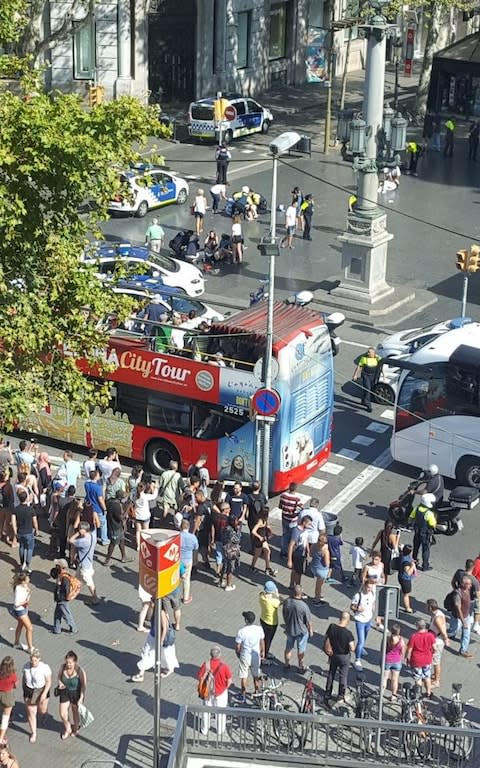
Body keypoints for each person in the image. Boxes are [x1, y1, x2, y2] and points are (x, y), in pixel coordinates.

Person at [198, 646, 232, 736]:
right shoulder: (224, 666)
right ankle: (220, 730)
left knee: (206, 711)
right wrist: (224, 688)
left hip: (208, 692)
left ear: (210, 654)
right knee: (220, 712)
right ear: (220, 655)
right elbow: (229, 681)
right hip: (220, 693)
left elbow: (200, 677)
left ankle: (204, 729)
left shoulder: (206, 665)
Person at [324, 611, 355, 704]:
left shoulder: (332, 627)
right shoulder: (348, 633)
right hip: (344, 657)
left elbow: (326, 637)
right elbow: (352, 648)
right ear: (348, 620)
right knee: (343, 676)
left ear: (340, 618)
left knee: (331, 673)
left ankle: (328, 693)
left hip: (333, 655)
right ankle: (340, 696)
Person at [22, 648, 52, 744]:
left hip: (41, 690)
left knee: (42, 710)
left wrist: (43, 694)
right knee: (31, 713)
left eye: (35, 660)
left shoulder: (44, 667)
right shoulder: (26, 666)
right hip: (29, 691)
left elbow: (49, 681)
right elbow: (24, 678)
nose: (33, 662)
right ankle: (33, 733)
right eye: (32, 660)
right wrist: (24, 690)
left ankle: (45, 714)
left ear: (39, 659)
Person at [234, 611, 265, 702]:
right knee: (256, 675)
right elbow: (262, 641)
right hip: (255, 655)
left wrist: (238, 654)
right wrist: (263, 651)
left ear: (246, 620)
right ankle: (257, 692)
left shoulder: (241, 631)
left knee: (244, 675)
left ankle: (243, 694)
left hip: (245, 656)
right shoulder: (259, 629)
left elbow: (237, 646)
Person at [282, 584, 313, 673]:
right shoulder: (303, 606)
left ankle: (286, 664)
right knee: (301, 650)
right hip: (301, 631)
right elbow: (308, 620)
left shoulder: (287, 602)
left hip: (289, 629)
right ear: (301, 592)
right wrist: (310, 630)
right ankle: (300, 666)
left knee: (288, 648)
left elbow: (284, 614)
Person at [56, 650, 87, 738]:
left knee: (75, 712)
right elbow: (58, 677)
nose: (68, 665)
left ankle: (76, 728)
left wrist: (81, 697)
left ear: (75, 662)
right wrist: (60, 683)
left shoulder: (80, 671)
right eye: (67, 662)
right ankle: (68, 728)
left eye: (70, 663)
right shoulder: (62, 667)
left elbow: (84, 685)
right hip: (65, 692)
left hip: (75, 693)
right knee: (62, 713)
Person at [69, 522, 100, 605]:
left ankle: (95, 598)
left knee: (89, 583)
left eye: (80, 529)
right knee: (77, 579)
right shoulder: (92, 537)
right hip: (87, 563)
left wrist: (77, 533)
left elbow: (70, 540)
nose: (79, 530)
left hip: (85, 566)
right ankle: (72, 591)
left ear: (83, 530)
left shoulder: (82, 542)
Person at [406, 619, 436, 697]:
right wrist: (432, 653)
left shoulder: (414, 636)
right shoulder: (430, 635)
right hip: (427, 659)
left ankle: (418, 694)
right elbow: (434, 648)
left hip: (416, 660)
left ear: (417, 626)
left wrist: (407, 658)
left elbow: (409, 649)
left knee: (418, 678)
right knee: (427, 676)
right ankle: (428, 692)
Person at [11, 488, 38, 573]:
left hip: (20, 532)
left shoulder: (16, 509)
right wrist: (36, 529)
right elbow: (35, 521)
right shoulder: (31, 509)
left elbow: (13, 521)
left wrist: (15, 531)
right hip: (29, 532)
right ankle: (27, 564)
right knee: (30, 548)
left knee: (22, 547)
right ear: (26, 498)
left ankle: (22, 562)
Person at [351, 580, 375, 670]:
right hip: (360, 620)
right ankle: (357, 660)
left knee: (364, 637)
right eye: (368, 587)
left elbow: (373, 603)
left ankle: (361, 648)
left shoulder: (371, 594)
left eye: (371, 587)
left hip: (368, 619)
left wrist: (373, 610)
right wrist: (357, 608)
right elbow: (352, 606)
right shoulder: (358, 595)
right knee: (360, 640)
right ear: (364, 586)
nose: (369, 589)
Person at [448, 576, 474, 658]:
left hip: (467, 616)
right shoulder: (458, 593)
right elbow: (458, 608)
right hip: (458, 618)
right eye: (469, 584)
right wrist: (463, 621)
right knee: (453, 631)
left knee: (466, 634)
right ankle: (440, 634)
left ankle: (463, 651)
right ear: (463, 584)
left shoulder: (467, 590)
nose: (470, 585)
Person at [409, 493, 437, 571]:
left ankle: (413, 562)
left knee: (415, 548)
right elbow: (433, 524)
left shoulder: (417, 508)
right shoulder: (429, 513)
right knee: (425, 550)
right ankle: (425, 566)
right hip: (425, 534)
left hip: (417, 532)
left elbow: (411, 517)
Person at [426, 598, 449, 688]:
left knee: (436, 661)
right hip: (436, 639)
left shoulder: (437, 618)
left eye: (427, 606)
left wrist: (446, 638)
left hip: (437, 641)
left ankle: (436, 681)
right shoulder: (437, 614)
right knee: (435, 660)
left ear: (430, 607)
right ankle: (435, 676)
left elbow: (442, 630)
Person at [287, 514, 313, 589]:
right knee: (298, 572)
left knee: (295, 570)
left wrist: (308, 551)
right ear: (304, 523)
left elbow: (306, 540)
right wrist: (289, 560)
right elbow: (291, 545)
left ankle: (292, 585)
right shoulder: (296, 531)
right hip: (297, 555)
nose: (310, 526)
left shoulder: (305, 530)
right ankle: (298, 587)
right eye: (309, 524)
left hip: (302, 553)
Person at [52, 559, 78, 634]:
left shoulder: (65, 577)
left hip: (62, 599)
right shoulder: (62, 574)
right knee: (57, 614)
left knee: (66, 614)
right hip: (59, 599)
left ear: (61, 567)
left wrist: (63, 597)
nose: (56, 567)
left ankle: (73, 629)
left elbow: (66, 589)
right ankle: (57, 629)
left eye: (57, 565)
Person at [104, 489, 129, 566]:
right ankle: (106, 561)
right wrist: (128, 508)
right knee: (113, 544)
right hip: (115, 527)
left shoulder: (110, 501)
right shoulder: (116, 506)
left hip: (117, 526)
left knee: (122, 540)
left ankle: (124, 557)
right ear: (120, 498)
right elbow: (121, 517)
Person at [279, 481, 303, 557]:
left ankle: (283, 551)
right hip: (292, 520)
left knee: (285, 534)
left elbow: (280, 506)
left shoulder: (283, 495)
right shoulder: (297, 498)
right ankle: (291, 552)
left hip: (284, 517)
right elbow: (300, 508)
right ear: (295, 489)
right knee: (293, 537)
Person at [353, 347, 381, 413]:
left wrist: (384, 376)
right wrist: (355, 375)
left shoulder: (377, 358)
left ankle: (363, 400)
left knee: (369, 389)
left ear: (373, 353)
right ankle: (369, 406)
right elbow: (359, 367)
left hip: (373, 376)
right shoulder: (364, 358)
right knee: (368, 389)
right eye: (367, 352)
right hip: (366, 375)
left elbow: (381, 366)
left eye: (369, 352)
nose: (368, 353)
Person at [84, 468, 108, 545]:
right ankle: (104, 539)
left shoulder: (86, 484)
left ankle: (93, 537)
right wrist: (105, 508)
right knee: (103, 524)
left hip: (90, 507)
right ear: (96, 477)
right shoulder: (98, 488)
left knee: (92, 523)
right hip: (98, 509)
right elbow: (100, 500)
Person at [134, 479, 158, 550]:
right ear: (144, 488)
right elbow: (154, 496)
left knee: (138, 531)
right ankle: (146, 545)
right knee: (146, 531)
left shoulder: (134, 495)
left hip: (137, 515)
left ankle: (138, 546)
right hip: (145, 516)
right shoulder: (145, 496)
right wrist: (156, 488)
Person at [12, 572, 33, 652]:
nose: (29, 579)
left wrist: (28, 591)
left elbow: (28, 593)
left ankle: (16, 643)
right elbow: (16, 604)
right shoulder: (18, 589)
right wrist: (25, 601)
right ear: (23, 581)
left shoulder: (24, 585)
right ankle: (30, 648)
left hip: (24, 608)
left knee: (20, 625)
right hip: (20, 610)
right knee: (30, 628)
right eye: (27, 578)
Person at [250, 510, 276, 576]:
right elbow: (253, 531)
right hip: (259, 540)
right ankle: (252, 566)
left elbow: (267, 527)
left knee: (267, 551)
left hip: (263, 539)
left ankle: (267, 567)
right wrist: (259, 537)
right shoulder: (260, 521)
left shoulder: (265, 520)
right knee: (257, 554)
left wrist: (270, 531)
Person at [258, 580, 280, 658]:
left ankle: (262, 651)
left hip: (263, 619)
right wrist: (276, 593)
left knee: (264, 638)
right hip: (271, 623)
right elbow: (278, 602)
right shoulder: (273, 601)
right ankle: (265, 654)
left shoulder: (261, 595)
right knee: (268, 640)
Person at [383, 624, 405, 698]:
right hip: (397, 661)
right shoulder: (401, 640)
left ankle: (381, 693)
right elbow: (402, 652)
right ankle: (393, 696)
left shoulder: (387, 639)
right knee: (395, 679)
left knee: (384, 678)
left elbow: (382, 650)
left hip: (387, 660)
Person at [179, 519, 199, 604]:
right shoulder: (192, 537)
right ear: (189, 527)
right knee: (186, 580)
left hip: (178, 561)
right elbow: (196, 547)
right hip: (188, 560)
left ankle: (172, 595)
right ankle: (185, 598)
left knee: (176, 578)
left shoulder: (177, 536)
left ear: (180, 527)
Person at [221, 514, 242, 592]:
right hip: (231, 551)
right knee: (230, 568)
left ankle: (221, 580)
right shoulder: (232, 530)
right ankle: (228, 585)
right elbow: (237, 540)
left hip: (225, 549)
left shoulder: (225, 528)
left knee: (225, 565)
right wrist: (238, 530)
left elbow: (222, 537)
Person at [247, 480, 268, 552]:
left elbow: (247, 507)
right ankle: (262, 547)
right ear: (259, 488)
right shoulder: (262, 496)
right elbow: (265, 503)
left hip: (252, 518)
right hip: (261, 517)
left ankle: (254, 549)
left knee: (253, 533)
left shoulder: (249, 497)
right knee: (262, 532)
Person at [0, 657, 17, 743]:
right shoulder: (12, 675)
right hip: (7, 695)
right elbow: (15, 684)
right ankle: (1, 737)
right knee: (5, 717)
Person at [310, 533, 330, 604]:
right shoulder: (325, 551)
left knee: (318, 584)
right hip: (321, 570)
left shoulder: (313, 545)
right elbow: (327, 563)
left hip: (313, 566)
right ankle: (317, 600)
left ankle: (317, 595)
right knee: (319, 585)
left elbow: (310, 555)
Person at [397, 544, 415, 613]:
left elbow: (399, 546)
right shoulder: (406, 562)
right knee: (406, 594)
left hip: (401, 577)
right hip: (405, 579)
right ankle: (407, 608)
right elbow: (408, 572)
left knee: (404, 591)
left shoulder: (402, 554)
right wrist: (413, 565)